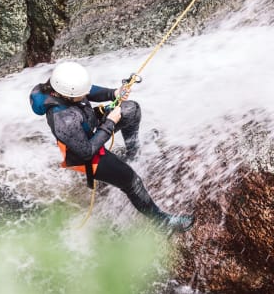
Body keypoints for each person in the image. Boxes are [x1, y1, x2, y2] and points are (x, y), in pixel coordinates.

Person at [29, 61, 194, 233]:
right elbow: (86, 151)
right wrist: (110, 122)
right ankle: (163, 224)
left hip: (86, 123)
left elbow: (88, 91)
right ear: (67, 96)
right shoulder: (64, 119)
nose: (86, 93)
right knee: (132, 182)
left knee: (131, 110)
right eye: (82, 92)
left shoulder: (61, 85)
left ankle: (133, 152)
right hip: (84, 155)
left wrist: (113, 93)